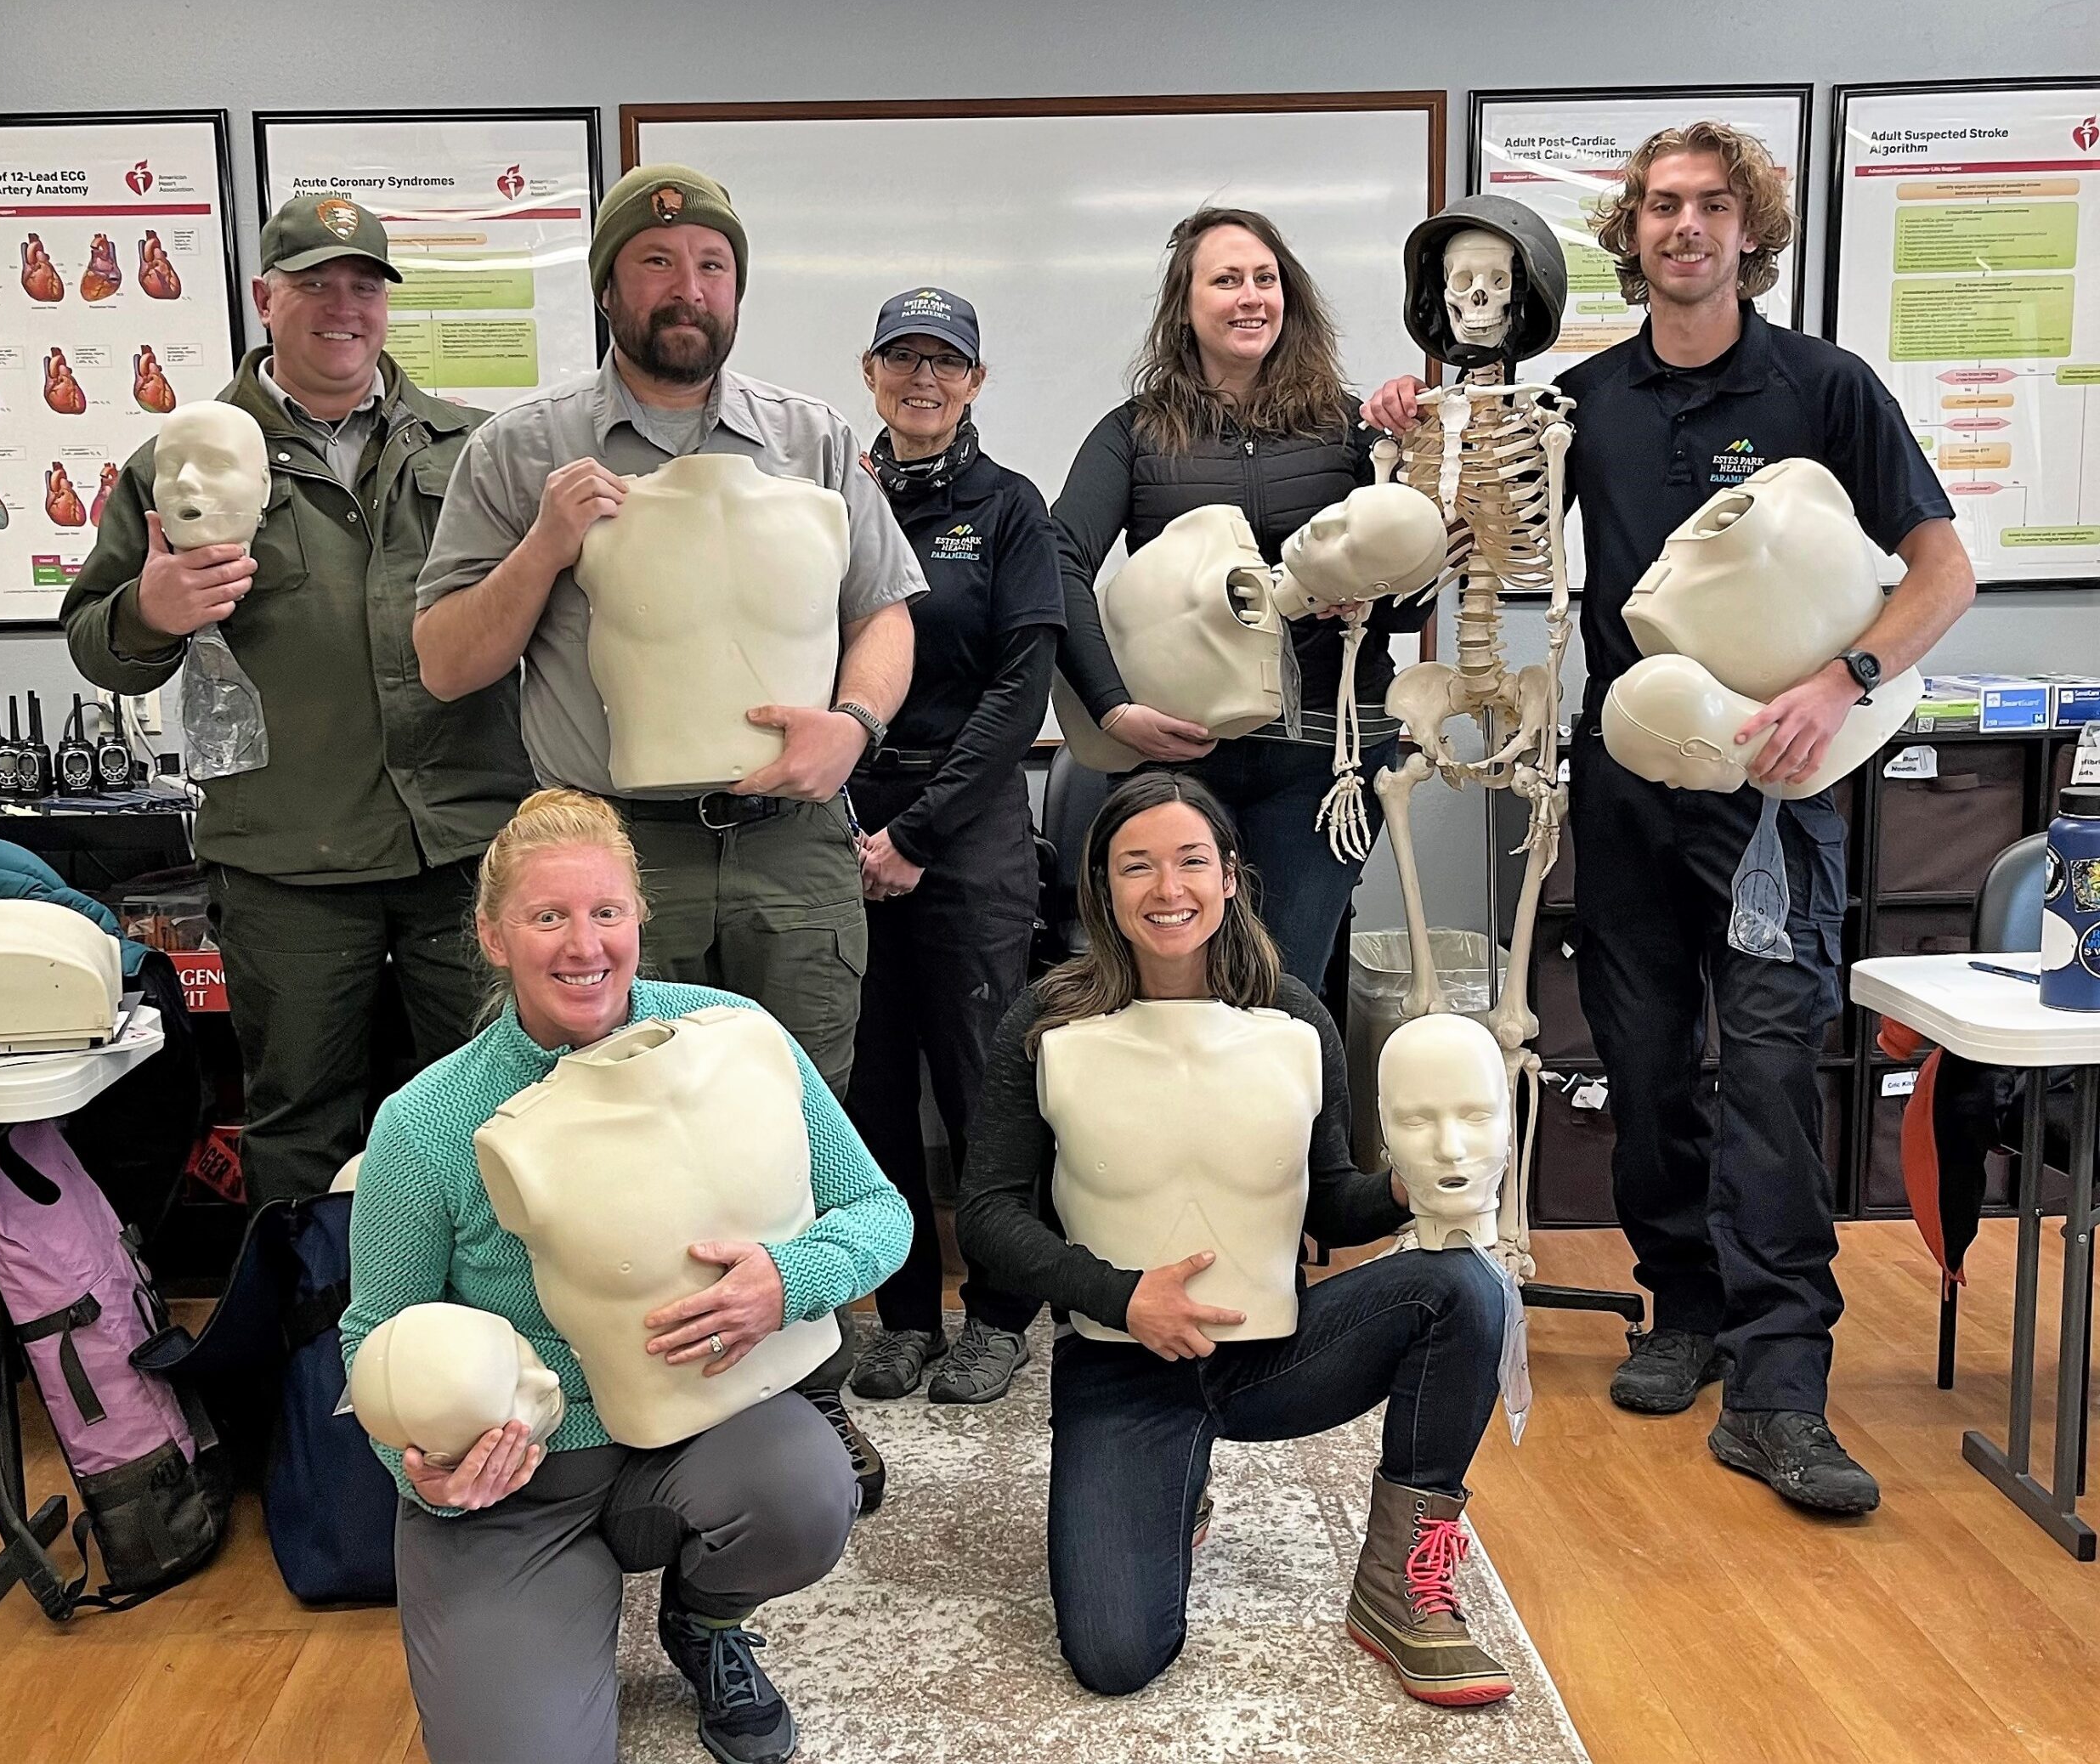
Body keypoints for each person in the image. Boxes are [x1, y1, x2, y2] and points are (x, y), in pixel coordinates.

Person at [1372, 122, 1976, 1514]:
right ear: (1630, 236)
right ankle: (1685, 1306)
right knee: (1641, 1071)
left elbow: (1941, 570)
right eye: (1656, 207)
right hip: (1635, 789)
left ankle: (1779, 1387)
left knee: (1767, 1073)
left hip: (1778, 799)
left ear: (1745, 227)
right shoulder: (1587, 400)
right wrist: (1421, 439)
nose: (1682, 226)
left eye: (1708, 206)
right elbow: (1471, 546)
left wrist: (1847, 677)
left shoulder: (1826, 388)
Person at [414, 161, 923, 1502]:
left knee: (790, 1128)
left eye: (711, 264)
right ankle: (580, 1408)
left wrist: (852, 727)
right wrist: (542, 546)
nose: (685, 288)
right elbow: (449, 659)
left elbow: (887, 612)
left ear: (738, 287)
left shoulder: (811, 437)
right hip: (607, 857)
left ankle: (796, 1402)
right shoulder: (521, 451)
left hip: (791, 836)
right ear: (609, 284)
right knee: (590, 1135)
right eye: (657, 262)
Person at [342, 787, 913, 1764]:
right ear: (492, 934)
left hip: (703, 1423)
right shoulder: (427, 1122)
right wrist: (421, 1467)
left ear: (639, 917)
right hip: (519, 1478)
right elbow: (371, 1336)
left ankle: (705, 1620)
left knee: (808, 1491)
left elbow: (881, 1211)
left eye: (606, 912)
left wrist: (790, 1274)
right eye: (547, 916)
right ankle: (551, 1616)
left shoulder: (733, 1035)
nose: (584, 945)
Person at [958, 770, 1512, 1706]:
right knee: (1114, 1657)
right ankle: (1173, 1485)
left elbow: (1330, 1206)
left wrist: (1409, 1189)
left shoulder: (1294, 1018)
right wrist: (1118, 1294)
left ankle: (1397, 1584)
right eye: (1137, 866)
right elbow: (986, 1215)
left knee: (1463, 1287)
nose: (1166, 889)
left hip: (1276, 1355)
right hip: (1121, 1361)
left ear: (1228, 879)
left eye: (1189, 862)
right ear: (1102, 886)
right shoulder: (1047, 1023)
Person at [62, 193, 533, 1207]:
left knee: (500, 1112)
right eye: (315, 284)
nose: (343, 307)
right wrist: (150, 609)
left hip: (465, 842)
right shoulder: (179, 458)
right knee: (301, 1120)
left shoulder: (477, 445)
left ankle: (494, 1349)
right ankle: (320, 1352)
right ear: (263, 298)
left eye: (364, 285)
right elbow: (98, 640)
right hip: (290, 857)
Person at [1050, 206, 1435, 991]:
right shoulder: (1135, 434)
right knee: (1176, 980)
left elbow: (1409, 602)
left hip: (1324, 759)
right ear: (1185, 305)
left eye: (1265, 278)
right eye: (1225, 280)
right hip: (1180, 759)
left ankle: (1301, 1117)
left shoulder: (1351, 433)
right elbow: (1056, 559)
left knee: (1282, 985)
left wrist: (1408, 489)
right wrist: (1113, 706)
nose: (1249, 296)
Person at [838, 287, 1063, 1406]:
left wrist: (917, 836)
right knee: (871, 1090)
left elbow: (1020, 691)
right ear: (870, 372)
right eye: (903, 358)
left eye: (946, 362)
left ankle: (1001, 1313)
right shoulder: (835, 495)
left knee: (985, 1091)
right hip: (844, 823)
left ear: (975, 382)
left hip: (968, 837)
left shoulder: (1008, 507)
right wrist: (856, 828)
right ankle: (907, 1312)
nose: (923, 378)